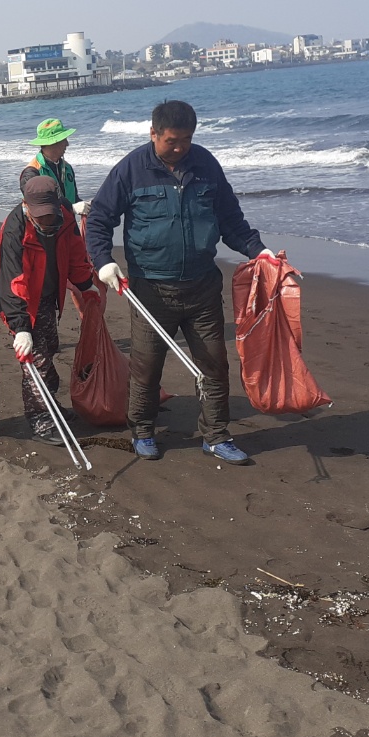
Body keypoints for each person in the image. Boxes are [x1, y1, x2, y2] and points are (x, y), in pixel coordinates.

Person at [85, 100, 276, 464]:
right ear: (153, 134)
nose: (179, 148)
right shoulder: (130, 170)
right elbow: (99, 220)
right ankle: (142, 430)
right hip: (151, 289)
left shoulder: (206, 165)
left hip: (202, 286)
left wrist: (258, 251)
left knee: (214, 364)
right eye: (172, 140)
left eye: (186, 140)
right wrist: (104, 263)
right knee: (146, 366)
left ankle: (217, 436)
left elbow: (231, 220)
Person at [0, 175, 96, 444]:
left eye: (50, 216)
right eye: (40, 218)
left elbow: (75, 251)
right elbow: (11, 280)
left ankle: (52, 407)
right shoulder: (15, 228)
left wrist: (86, 284)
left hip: (50, 295)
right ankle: (40, 420)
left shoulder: (63, 214)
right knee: (35, 363)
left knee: (49, 351)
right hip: (23, 302)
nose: (47, 223)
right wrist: (20, 328)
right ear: (26, 207)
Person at [20, 118, 89, 219]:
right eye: (64, 139)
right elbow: (40, 202)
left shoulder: (67, 168)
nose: (67, 144)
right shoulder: (32, 172)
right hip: (45, 229)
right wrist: (71, 207)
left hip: (67, 226)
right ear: (53, 143)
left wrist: (86, 205)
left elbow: (73, 198)